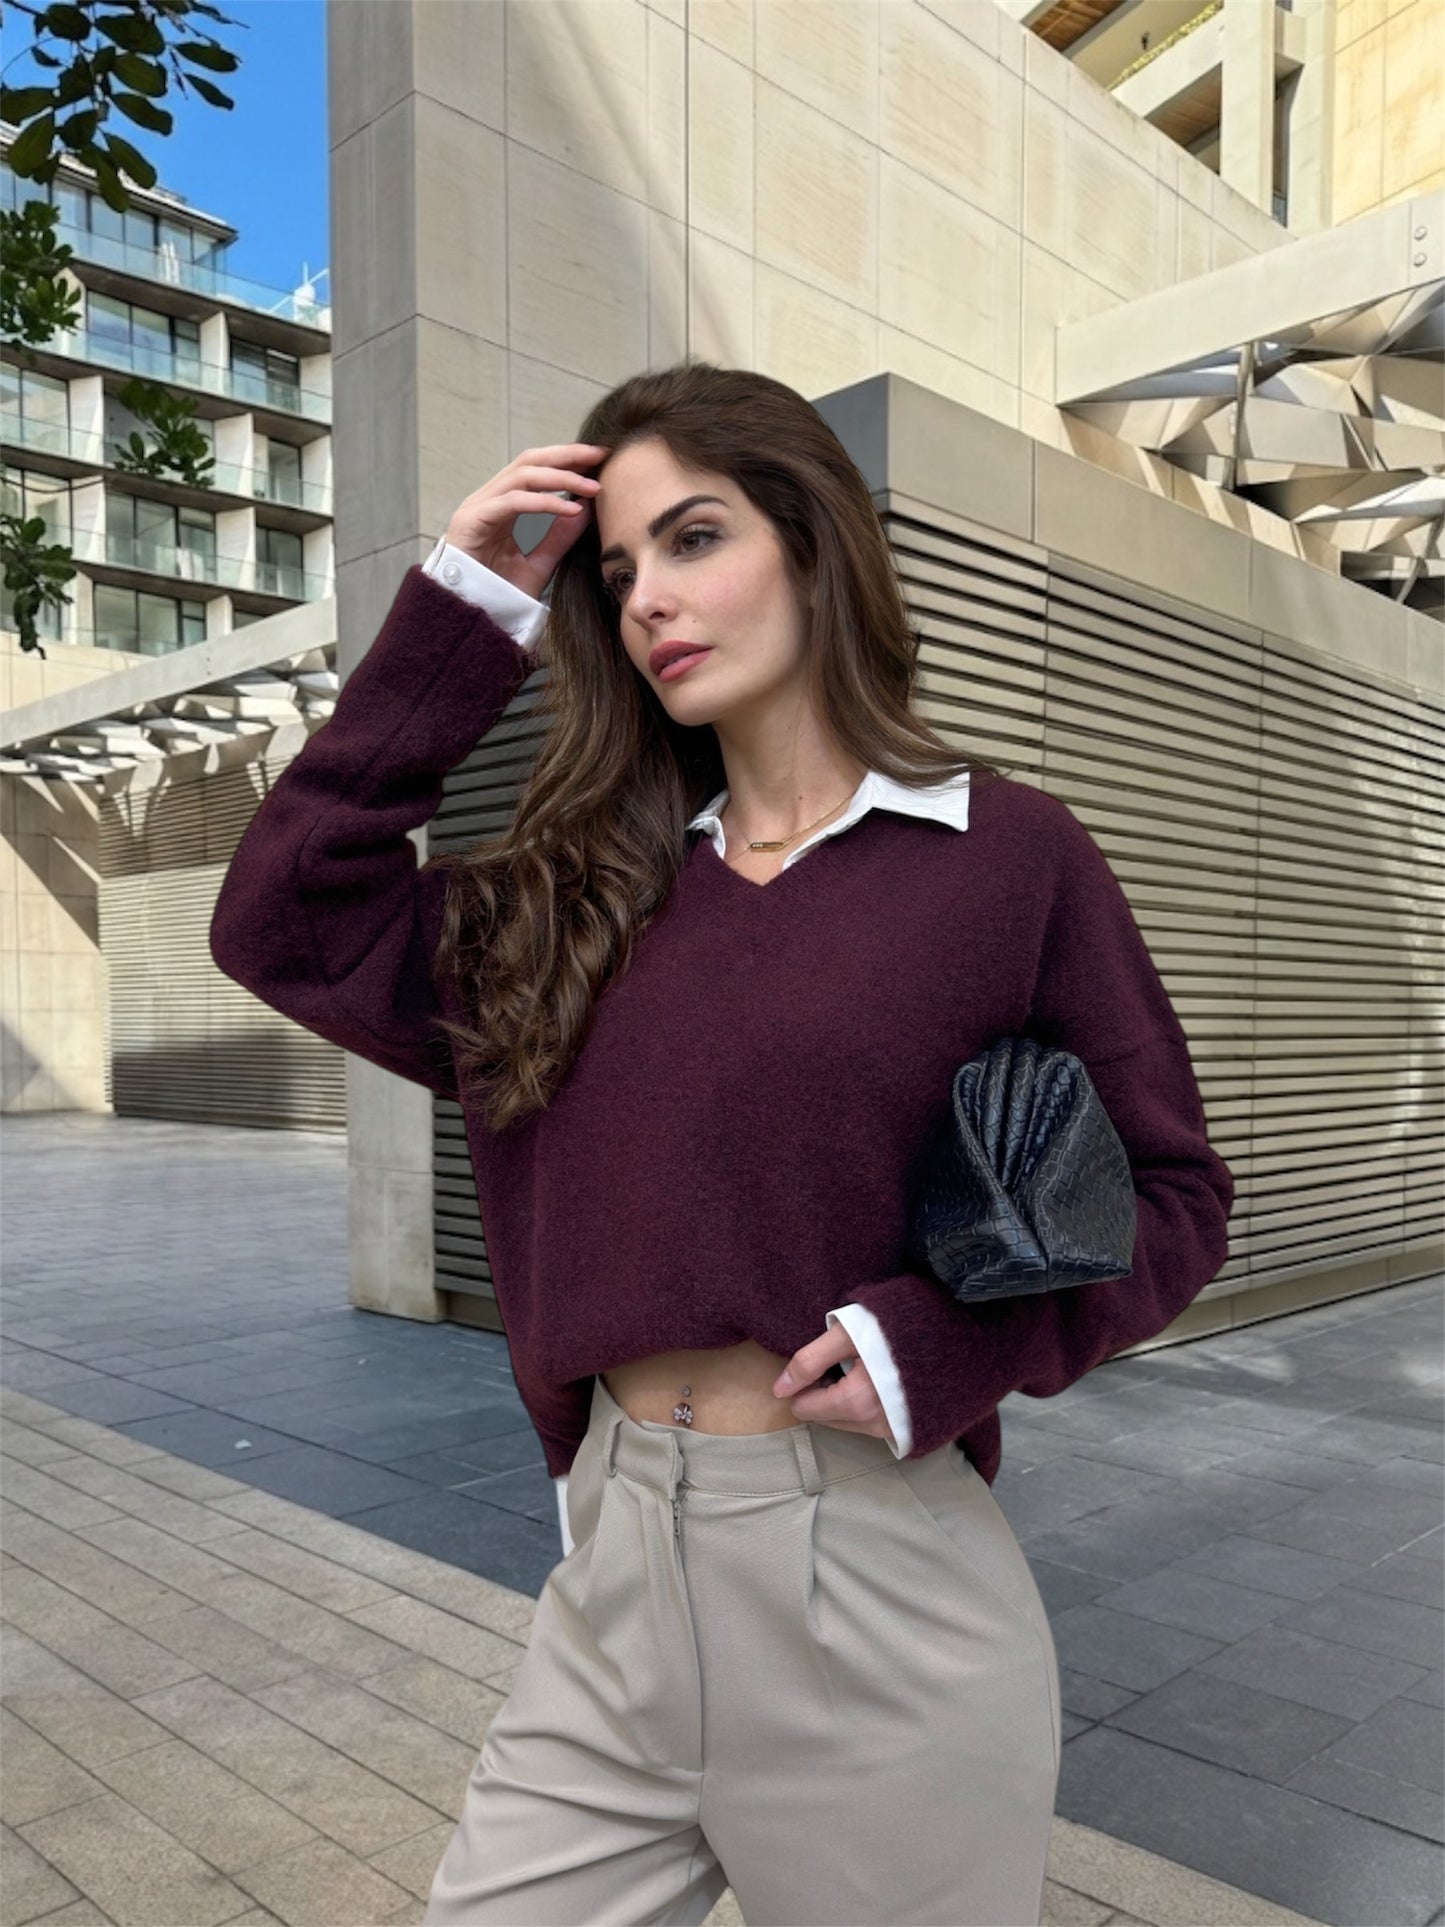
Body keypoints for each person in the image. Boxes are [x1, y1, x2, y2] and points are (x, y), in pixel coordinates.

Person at [209, 361, 1235, 1927]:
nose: (646, 603)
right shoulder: (572, 894)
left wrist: (939, 1342)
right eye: (617, 571)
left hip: (876, 1593)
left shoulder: (1005, 858)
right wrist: (462, 609)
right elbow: (282, 922)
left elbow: (1172, 1199)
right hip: (613, 1575)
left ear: (813, 542)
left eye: (693, 540)